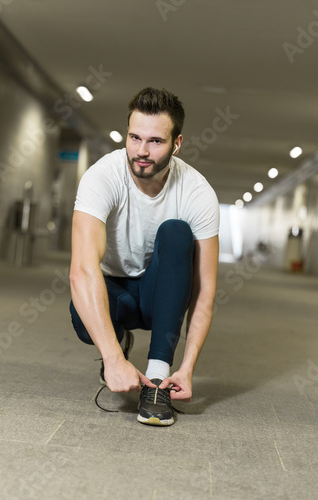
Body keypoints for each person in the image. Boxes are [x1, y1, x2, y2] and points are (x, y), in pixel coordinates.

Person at [69, 87, 219, 426]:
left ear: (176, 143)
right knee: (81, 313)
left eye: (155, 141)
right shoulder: (102, 176)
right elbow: (81, 270)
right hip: (116, 291)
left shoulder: (197, 192)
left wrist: (188, 366)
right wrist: (112, 357)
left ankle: (156, 381)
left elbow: (205, 290)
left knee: (176, 232)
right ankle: (120, 342)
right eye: (135, 138)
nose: (141, 151)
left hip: (162, 295)